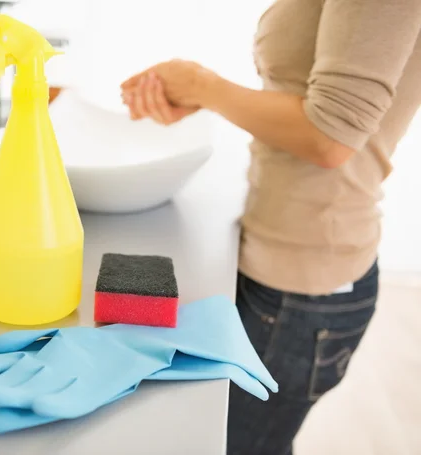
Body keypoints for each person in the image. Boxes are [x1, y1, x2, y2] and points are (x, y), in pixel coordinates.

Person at [120, 1, 421, 454]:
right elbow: (312, 103)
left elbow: (330, 137)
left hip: (306, 288)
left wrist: (204, 86)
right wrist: (200, 94)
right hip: (276, 263)